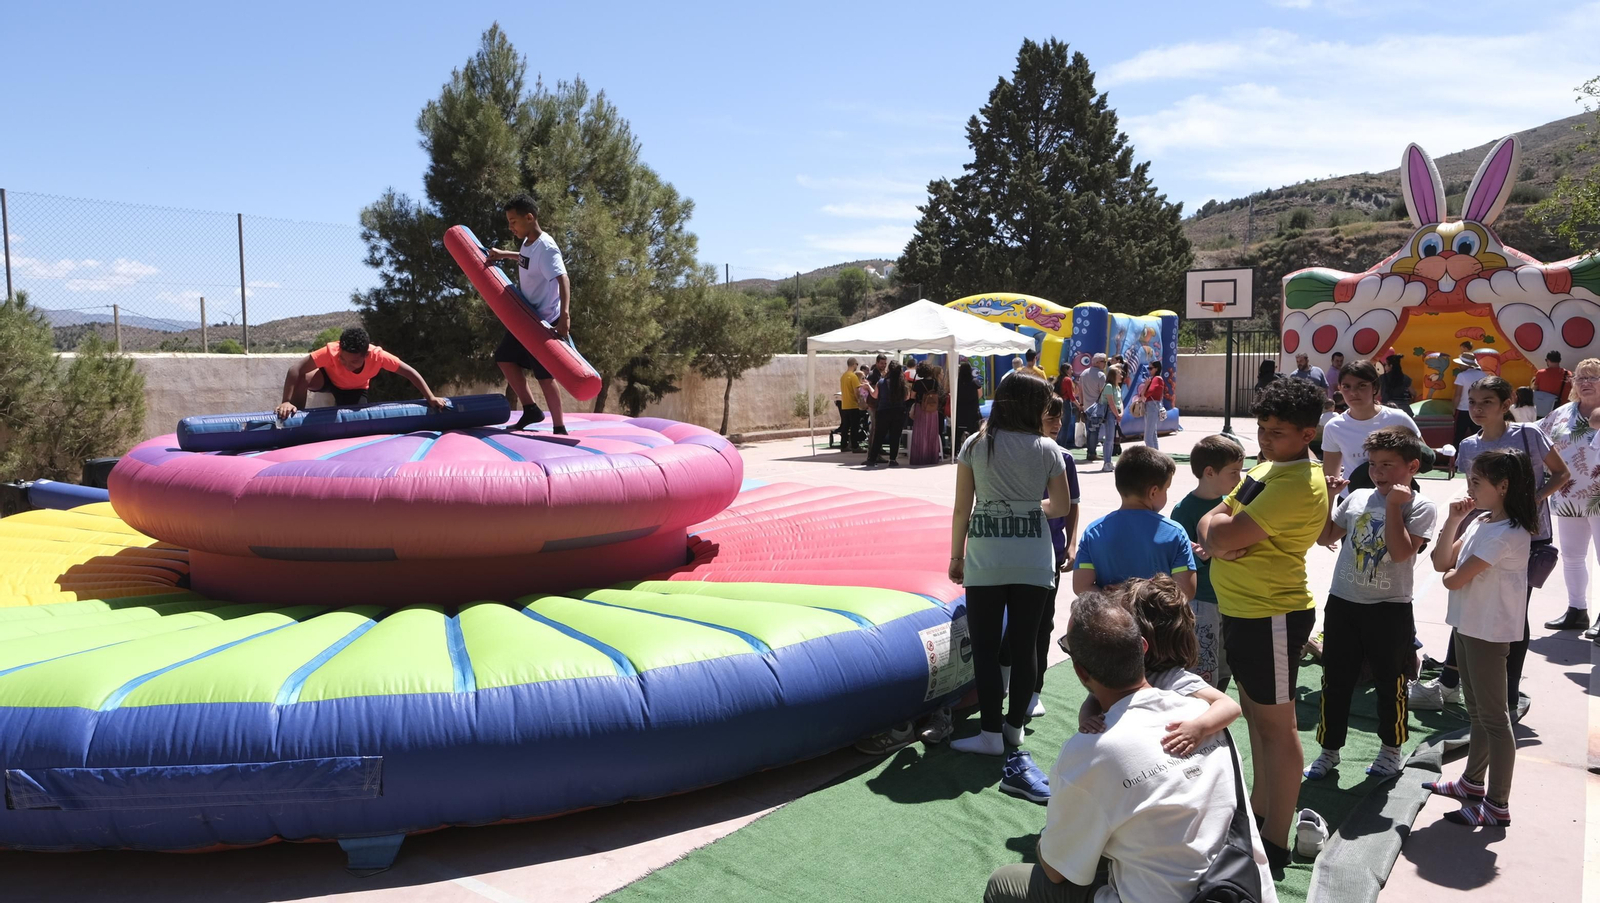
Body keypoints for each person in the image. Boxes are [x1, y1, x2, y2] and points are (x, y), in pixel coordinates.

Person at [982, 593, 1278, 903]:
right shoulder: (1202, 714)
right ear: (1142, 648)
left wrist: (1052, 838)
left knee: (1004, 883)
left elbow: (1057, 871)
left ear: (1081, 672)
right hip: (1245, 890)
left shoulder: (1089, 751)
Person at [1198, 376, 1327, 877]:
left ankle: (1274, 838)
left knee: (1278, 728)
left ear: (1308, 434)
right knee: (1256, 719)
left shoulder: (1296, 482)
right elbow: (1213, 518)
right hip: (1245, 610)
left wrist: (1217, 534)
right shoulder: (1268, 467)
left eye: (1278, 432)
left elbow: (1224, 527)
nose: (1266, 440)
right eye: (1263, 428)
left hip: (1272, 614)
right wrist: (1216, 535)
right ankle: (1258, 810)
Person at [1412, 376, 1570, 709]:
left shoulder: (1529, 434)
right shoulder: (1469, 445)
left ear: (1506, 403)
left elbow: (1562, 473)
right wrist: (1464, 521)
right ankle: (1451, 682)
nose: (1478, 409)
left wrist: (1528, 501)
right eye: (1473, 402)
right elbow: (1475, 492)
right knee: (1468, 607)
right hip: (1482, 532)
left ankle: (1507, 696)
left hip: (1527, 538)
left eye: (1487, 402)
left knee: (1513, 617)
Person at [949, 374, 1073, 764]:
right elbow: (1062, 506)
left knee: (985, 649)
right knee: (1024, 646)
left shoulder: (975, 445)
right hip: (1034, 561)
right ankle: (1014, 727)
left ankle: (988, 733)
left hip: (986, 560)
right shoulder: (1047, 449)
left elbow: (961, 509)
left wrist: (956, 557)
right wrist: (1034, 508)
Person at [1304, 427, 1438, 782]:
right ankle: (1329, 751)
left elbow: (1400, 552)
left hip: (1389, 608)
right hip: (1344, 603)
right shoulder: (1359, 496)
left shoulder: (1421, 506)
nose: (1379, 472)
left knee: (1389, 682)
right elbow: (1325, 537)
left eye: (1388, 465)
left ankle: (1391, 750)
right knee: (1335, 680)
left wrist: (1394, 506)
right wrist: (1330, 498)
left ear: (1412, 466)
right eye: (1374, 464)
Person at [1422, 449, 1535, 828]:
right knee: (1477, 714)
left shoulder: (1508, 532)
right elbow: (1440, 562)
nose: (1468, 488)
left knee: (1495, 719)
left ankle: (1498, 805)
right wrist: (1454, 520)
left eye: (1476, 482)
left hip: (1489, 633)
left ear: (1503, 487)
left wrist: (1450, 572)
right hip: (1468, 625)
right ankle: (1472, 783)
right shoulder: (1482, 521)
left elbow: (1453, 577)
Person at [1077, 574, 1243, 746]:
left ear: (1143, 643)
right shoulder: (1119, 672)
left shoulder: (1172, 678)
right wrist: (1088, 719)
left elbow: (1229, 705)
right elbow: (1092, 699)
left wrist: (1199, 727)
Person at [998, 394, 1081, 720]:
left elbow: (1072, 504)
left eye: (1060, 419)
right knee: (1014, 622)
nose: (1057, 425)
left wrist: (1072, 543)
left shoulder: (1063, 458)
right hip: (1015, 550)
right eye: (1051, 419)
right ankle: (1005, 678)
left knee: (1042, 624)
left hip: (1050, 554)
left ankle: (1033, 691)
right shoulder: (1013, 456)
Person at [484, 194, 574, 434]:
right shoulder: (528, 243)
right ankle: (531, 408)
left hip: (544, 323)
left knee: (544, 376)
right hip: (526, 316)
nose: (510, 226)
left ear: (530, 217)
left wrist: (564, 316)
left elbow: (562, 278)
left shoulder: (546, 247)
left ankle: (559, 426)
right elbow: (526, 260)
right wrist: (504, 254)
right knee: (504, 357)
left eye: (513, 221)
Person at [1170, 434, 1247, 690]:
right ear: (1210, 472)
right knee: (1203, 665)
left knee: (1226, 663)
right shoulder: (1183, 510)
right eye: (1234, 472)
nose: (1240, 478)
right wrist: (1200, 555)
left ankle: (1218, 710)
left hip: (1235, 598)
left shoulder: (1237, 504)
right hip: (1203, 601)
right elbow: (1179, 558)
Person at [1072, 446, 1198, 600]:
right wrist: (1138, 594)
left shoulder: (1094, 531)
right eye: (1166, 489)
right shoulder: (1175, 533)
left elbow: (1081, 586)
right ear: (1153, 492)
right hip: (1158, 623)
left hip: (1112, 622)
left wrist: (1120, 598)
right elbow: (1186, 591)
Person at [1538, 357, 1600, 642]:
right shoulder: (1562, 413)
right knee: (1573, 557)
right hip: (1568, 495)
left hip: (1598, 498)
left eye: (1593, 377)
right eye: (1581, 378)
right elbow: (1537, 434)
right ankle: (1577, 610)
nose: (1586, 383)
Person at [276, 327, 444, 420]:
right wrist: (286, 402)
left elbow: (410, 372)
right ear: (339, 349)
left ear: (366, 355)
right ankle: (294, 418)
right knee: (304, 375)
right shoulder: (331, 350)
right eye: (343, 359)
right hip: (328, 379)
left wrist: (430, 397)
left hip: (355, 389)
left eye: (354, 362)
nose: (347, 365)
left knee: (354, 421)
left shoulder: (378, 356)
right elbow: (295, 370)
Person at [1320, 359, 1423, 491]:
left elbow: (1423, 458)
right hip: (1352, 501)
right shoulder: (1334, 427)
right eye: (1346, 386)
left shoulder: (1398, 418)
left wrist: (1392, 479)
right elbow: (1330, 476)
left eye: (1362, 385)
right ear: (1339, 388)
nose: (1353, 392)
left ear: (1375, 387)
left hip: (1397, 499)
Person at [865, 360, 908, 467]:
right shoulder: (902, 383)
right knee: (895, 436)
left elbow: (875, 395)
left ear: (889, 370)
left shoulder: (881, 382)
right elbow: (906, 397)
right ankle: (893, 460)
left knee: (879, 436)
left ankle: (872, 459)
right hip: (898, 411)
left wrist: (869, 387)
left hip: (883, 411)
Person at [1450, 350, 1487, 449]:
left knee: (1459, 436)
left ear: (1465, 365)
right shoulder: (1483, 375)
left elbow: (1458, 395)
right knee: (1480, 436)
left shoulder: (1461, 376)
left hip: (1463, 410)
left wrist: (1453, 408)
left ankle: (1456, 460)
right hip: (1479, 410)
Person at [909, 361, 942, 466]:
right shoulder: (935, 382)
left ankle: (920, 457)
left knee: (921, 433)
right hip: (933, 409)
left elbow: (912, 396)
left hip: (921, 408)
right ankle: (931, 457)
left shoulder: (918, 383)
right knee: (932, 433)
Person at [1080, 354, 1109, 464]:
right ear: (1097, 362)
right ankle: (1092, 453)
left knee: (1089, 431)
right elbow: (1103, 392)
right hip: (1097, 408)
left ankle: (1090, 451)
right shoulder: (1101, 375)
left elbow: (1080, 390)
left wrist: (1082, 404)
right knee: (1094, 432)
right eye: (1103, 361)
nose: (1105, 364)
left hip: (1087, 406)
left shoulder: (1084, 373)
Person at [1096, 366, 1125, 472]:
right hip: (1110, 413)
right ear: (1114, 375)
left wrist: (1121, 412)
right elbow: (1111, 402)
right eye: (1119, 373)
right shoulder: (1108, 386)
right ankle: (1106, 462)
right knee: (1109, 439)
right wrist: (1117, 414)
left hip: (1115, 413)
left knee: (1112, 439)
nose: (1121, 376)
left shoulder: (1117, 387)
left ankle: (1109, 461)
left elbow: (1120, 402)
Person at [1532, 351, 1571, 418]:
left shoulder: (1540, 373)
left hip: (1543, 409)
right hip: (1561, 409)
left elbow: (1534, 389)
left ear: (1547, 360)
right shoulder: (1567, 374)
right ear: (1560, 360)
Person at [955, 359, 983, 449]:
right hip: (972, 409)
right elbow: (980, 393)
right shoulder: (975, 381)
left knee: (958, 433)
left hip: (960, 410)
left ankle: (956, 449)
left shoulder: (957, 382)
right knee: (974, 431)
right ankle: (975, 448)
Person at [839, 358, 864, 453]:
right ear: (854, 364)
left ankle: (843, 445)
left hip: (844, 404)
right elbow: (856, 391)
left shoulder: (843, 376)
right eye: (856, 364)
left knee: (845, 426)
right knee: (854, 427)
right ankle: (855, 446)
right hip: (853, 405)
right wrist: (859, 400)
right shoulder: (853, 377)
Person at [1138, 369, 1165, 450]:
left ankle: (1152, 457)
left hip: (1152, 407)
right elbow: (1142, 394)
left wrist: (1146, 387)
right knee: (1152, 434)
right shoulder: (1154, 379)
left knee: (1148, 437)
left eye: (1151, 368)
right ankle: (1157, 455)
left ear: (1156, 368)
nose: (1149, 370)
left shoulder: (1157, 378)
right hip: (1151, 406)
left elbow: (1148, 392)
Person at [1053, 370, 1078, 449]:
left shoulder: (1058, 379)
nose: (1072, 370)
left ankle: (1057, 443)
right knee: (1065, 425)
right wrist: (1078, 405)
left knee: (1058, 423)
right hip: (1066, 403)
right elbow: (1071, 395)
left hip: (1058, 402)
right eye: (1071, 369)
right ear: (1067, 370)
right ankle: (1062, 446)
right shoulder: (1067, 380)